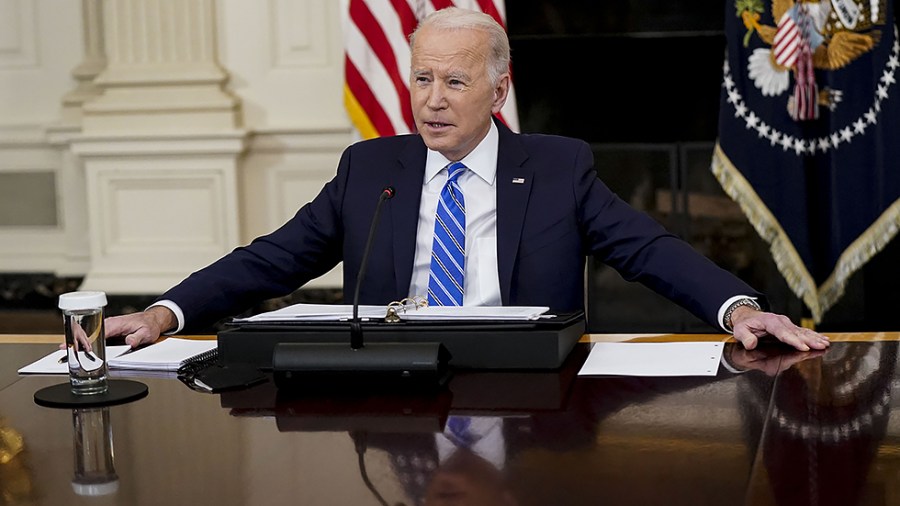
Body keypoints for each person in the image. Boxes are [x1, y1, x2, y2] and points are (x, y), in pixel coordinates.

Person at [105, 7, 829, 353]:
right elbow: (274, 256)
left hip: (523, 383)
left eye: (454, 80)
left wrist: (737, 310)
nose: (432, 99)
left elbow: (647, 247)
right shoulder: (371, 168)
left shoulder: (554, 165)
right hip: (392, 383)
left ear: (497, 86)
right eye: (421, 79)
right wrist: (165, 312)